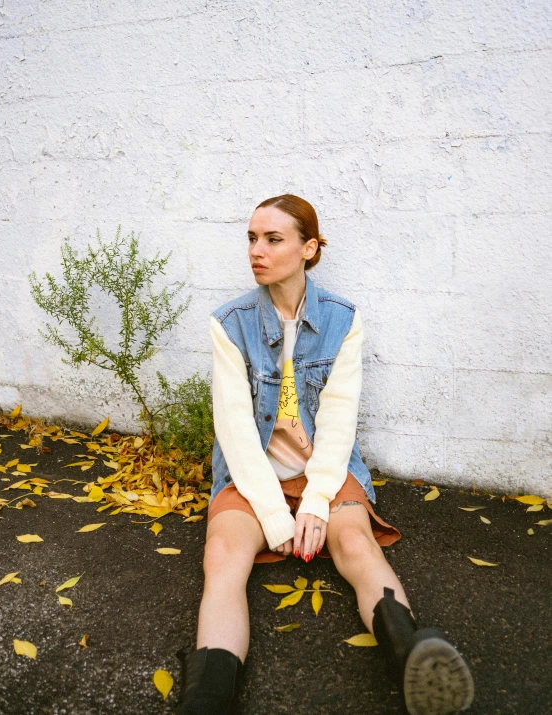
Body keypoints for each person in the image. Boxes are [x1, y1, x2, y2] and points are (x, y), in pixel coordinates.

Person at [176, 194, 474, 715]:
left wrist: (315, 503)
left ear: (308, 248)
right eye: (252, 238)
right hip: (253, 476)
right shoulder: (230, 323)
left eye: (273, 239)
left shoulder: (343, 320)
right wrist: (274, 515)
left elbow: (338, 421)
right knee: (222, 560)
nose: (257, 250)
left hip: (324, 471)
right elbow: (235, 431)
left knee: (357, 545)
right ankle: (206, 700)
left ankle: (413, 663)